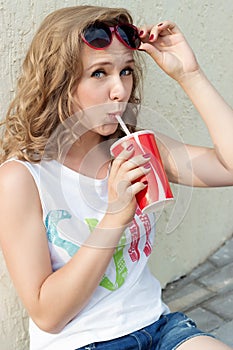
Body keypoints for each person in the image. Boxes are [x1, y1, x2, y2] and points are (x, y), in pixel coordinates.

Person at [0, 5, 233, 350]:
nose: (119, 90)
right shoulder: (23, 178)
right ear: (60, 82)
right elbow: (47, 314)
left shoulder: (138, 149)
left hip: (158, 327)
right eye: (99, 73)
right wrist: (115, 217)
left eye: (125, 71)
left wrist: (190, 74)